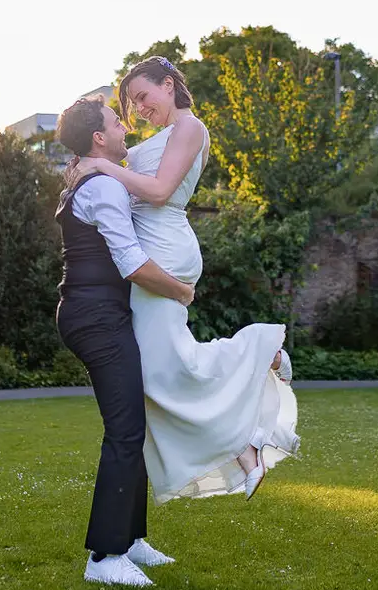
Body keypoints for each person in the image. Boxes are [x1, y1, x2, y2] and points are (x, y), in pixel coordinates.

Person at [68, 56, 298, 502]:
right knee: (162, 372)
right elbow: (109, 158)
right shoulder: (162, 138)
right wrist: (86, 161)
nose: (138, 109)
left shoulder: (191, 128)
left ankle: (260, 351)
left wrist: (100, 168)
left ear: (169, 85)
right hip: (158, 243)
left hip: (164, 248)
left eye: (143, 96)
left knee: (164, 371)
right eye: (131, 103)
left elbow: (156, 191)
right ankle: (243, 448)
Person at [53, 94, 196, 588]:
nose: (124, 128)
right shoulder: (104, 189)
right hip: (95, 317)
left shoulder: (96, 180)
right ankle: (104, 557)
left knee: (131, 423)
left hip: (98, 314)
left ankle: (131, 540)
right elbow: (131, 263)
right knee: (125, 430)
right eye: (116, 122)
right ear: (98, 137)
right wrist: (180, 290)